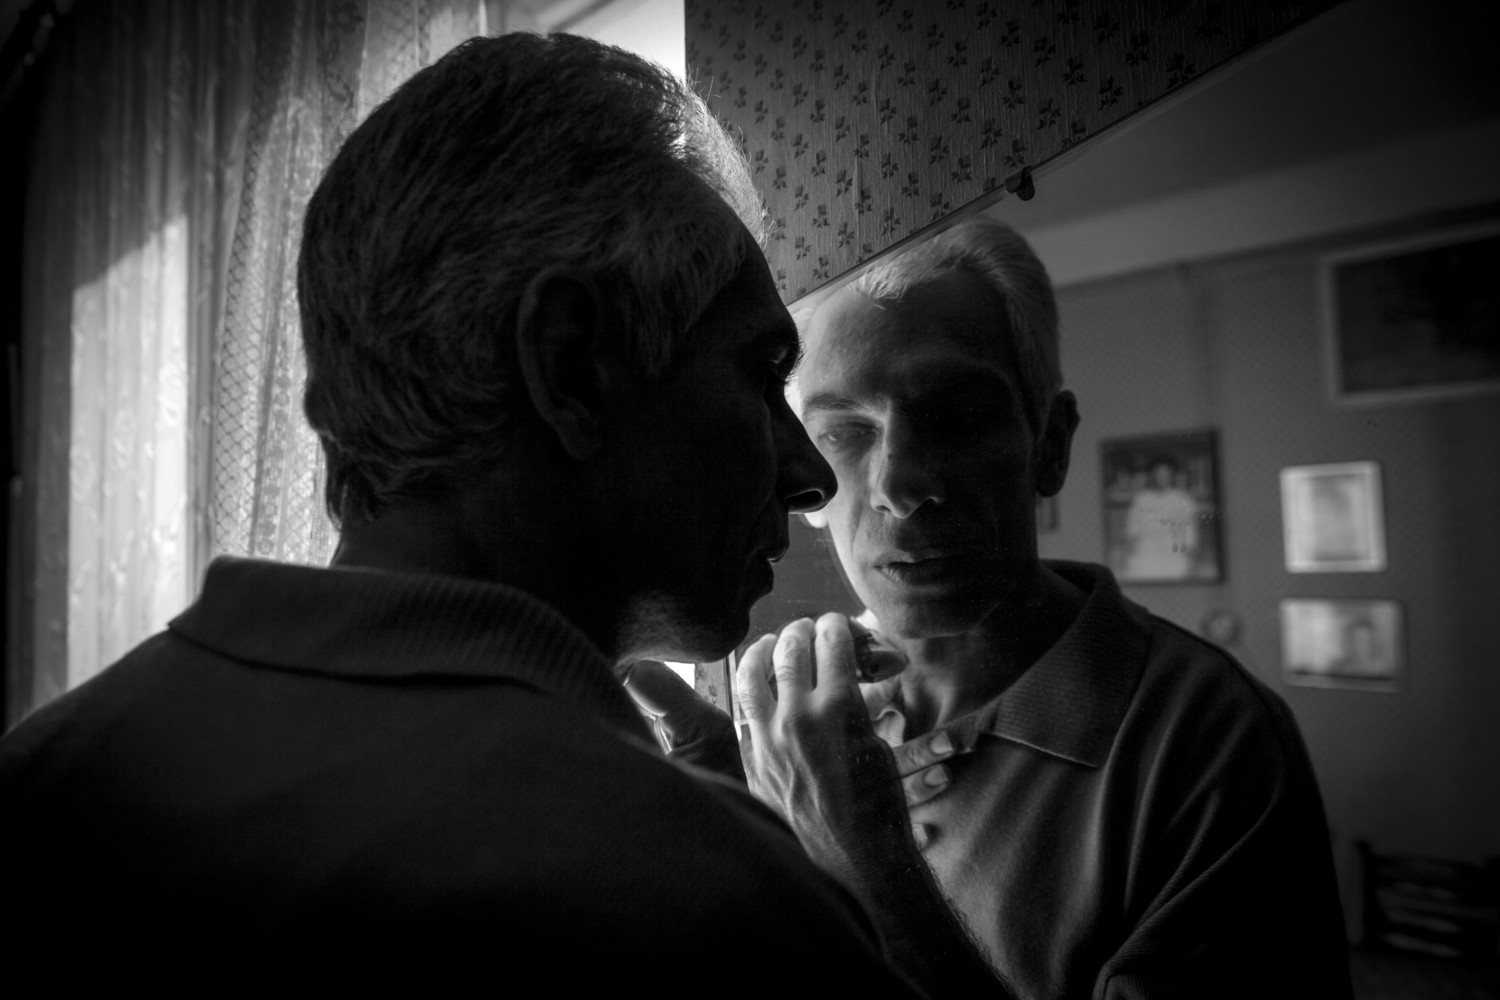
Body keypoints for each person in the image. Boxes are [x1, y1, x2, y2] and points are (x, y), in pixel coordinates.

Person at [0, 33, 920, 993]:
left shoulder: (50, 775)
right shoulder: (697, 899)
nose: (811, 476)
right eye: (762, 373)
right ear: (570, 367)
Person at [735, 218, 1354, 997]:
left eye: (959, 417)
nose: (898, 484)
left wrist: (870, 866)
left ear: (1050, 444)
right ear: (806, 477)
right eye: (844, 433)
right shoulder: (799, 724)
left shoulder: (1209, 736)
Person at [1121, 454, 1200, 579]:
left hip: (1174, 556)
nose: (1162, 476)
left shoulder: (1183, 499)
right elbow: (1132, 532)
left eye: (1166, 473)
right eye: (1158, 473)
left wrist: (1190, 562)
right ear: (1152, 475)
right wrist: (1130, 558)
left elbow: (1190, 536)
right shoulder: (1141, 500)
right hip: (1145, 555)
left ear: (1172, 474)